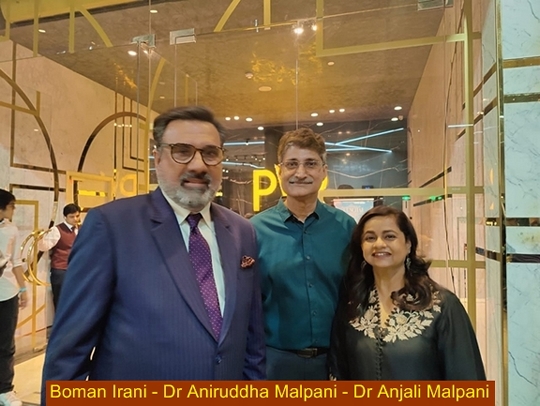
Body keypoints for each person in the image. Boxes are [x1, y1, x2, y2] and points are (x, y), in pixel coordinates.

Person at [41, 106, 265, 397]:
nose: (198, 165)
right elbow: (68, 353)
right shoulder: (111, 226)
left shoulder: (241, 231)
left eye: (210, 153)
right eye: (182, 151)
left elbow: (251, 339)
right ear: (157, 158)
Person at [328, 205, 486, 380]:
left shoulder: (442, 305)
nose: (379, 244)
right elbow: (338, 371)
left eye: (390, 236)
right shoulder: (352, 304)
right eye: (370, 238)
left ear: (408, 244)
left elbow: (467, 377)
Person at [251, 128, 356, 380]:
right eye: (291, 164)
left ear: (324, 171)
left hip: (336, 362)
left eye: (310, 163)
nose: (300, 173)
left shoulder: (346, 228)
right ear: (279, 171)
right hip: (274, 365)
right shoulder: (254, 231)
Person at [0, 189, 27, 406]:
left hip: (6, 292)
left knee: (6, 344)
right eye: (11, 206)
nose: (13, 210)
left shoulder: (11, 230)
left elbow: (16, 261)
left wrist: (23, 288)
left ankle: (5, 389)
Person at [37, 203, 81, 310]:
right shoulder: (56, 230)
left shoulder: (81, 229)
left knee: (76, 300)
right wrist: (40, 239)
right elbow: (44, 247)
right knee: (61, 300)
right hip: (61, 270)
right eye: (72, 217)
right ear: (65, 217)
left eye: (77, 216)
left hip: (77, 269)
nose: (75, 219)